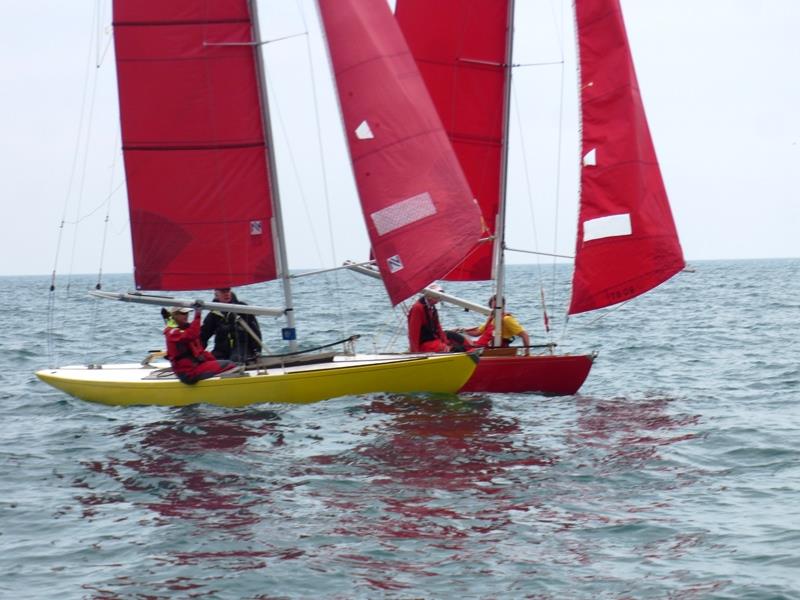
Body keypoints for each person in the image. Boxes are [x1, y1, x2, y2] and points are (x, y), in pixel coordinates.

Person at [164, 306, 238, 384]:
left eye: (187, 313)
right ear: (175, 315)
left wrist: (213, 361)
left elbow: (200, 352)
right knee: (229, 365)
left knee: (231, 363)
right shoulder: (172, 332)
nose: (186, 315)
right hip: (189, 373)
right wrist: (198, 314)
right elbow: (192, 334)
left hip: (195, 367)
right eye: (183, 313)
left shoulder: (185, 330)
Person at [201, 287, 262, 363]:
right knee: (210, 362)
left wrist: (257, 351)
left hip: (241, 348)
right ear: (216, 294)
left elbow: (255, 331)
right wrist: (198, 353)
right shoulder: (213, 314)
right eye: (223, 291)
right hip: (221, 349)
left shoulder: (242, 309)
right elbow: (203, 336)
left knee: (235, 360)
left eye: (228, 290)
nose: (226, 294)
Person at [407, 284, 470, 353]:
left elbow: (438, 327)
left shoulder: (432, 307)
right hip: (425, 343)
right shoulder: (418, 308)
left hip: (434, 339)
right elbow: (413, 333)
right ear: (429, 295)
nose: (439, 297)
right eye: (437, 294)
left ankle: (471, 349)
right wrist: (414, 352)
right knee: (453, 350)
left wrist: (445, 341)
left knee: (456, 337)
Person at [461, 295, 531, 355]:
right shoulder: (492, 319)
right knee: (454, 337)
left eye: (496, 307)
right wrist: (462, 331)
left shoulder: (506, 319)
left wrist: (527, 352)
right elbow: (477, 333)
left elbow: (525, 335)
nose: (495, 310)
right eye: (493, 308)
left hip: (488, 351)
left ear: (503, 306)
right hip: (478, 347)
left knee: (455, 339)